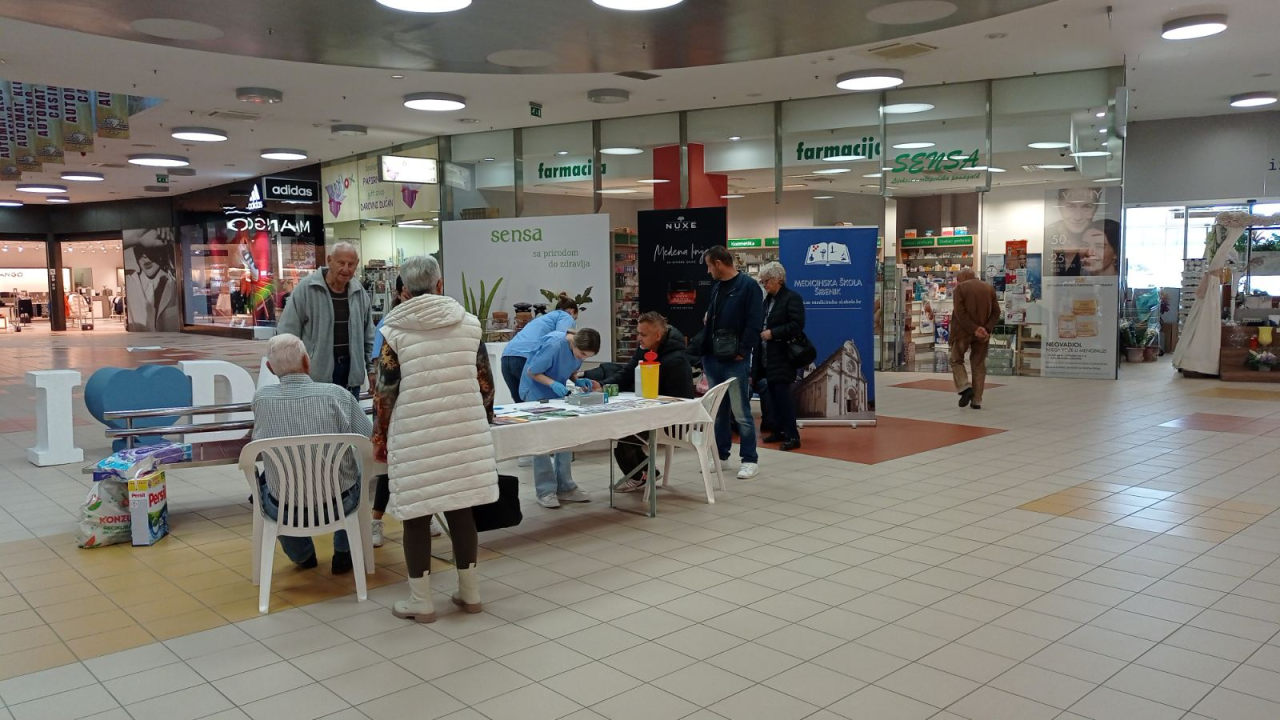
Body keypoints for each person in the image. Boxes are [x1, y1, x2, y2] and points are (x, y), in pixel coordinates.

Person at [371, 255, 499, 623]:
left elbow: (385, 392)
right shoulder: (469, 325)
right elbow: (485, 383)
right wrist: (483, 421)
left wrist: (380, 436)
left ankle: (421, 600)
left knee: (415, 512)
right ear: (440, 285)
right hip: (463, 427)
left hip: (414, 432)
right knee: (461, 507)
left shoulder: (394, 331)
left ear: (404, 291)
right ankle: (470, 593)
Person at [250, 334, 373, 574]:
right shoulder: (337, 395)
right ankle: (344, 553)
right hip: (340, 503)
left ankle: (303, 556)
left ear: (270, 368)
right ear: (308, 361)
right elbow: (367, 438)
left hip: (285, 508)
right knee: (351, 473)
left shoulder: (261, 400)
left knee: (263, 485)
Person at [367, 274, 441, 547]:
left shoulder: (433, 321)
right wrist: (381, 426)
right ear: (401, 293)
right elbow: (380, 371)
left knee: (425, 466)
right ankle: (376, 520)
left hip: (424, 406)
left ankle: (427, 514)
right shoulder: (390, 323)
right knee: (389, 470)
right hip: (395, 405)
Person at [607, 312, 695, 493]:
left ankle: (637, 477)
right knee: (622, 431)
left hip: (672, 418)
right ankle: (648, 472)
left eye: (643, 335)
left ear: (658, 336)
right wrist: (602, 386)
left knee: (624, 437)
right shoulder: (645, 347)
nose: (639, 338)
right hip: (649, 409)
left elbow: (678, 400)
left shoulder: (676, 360)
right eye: (638, 333)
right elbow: (627, 372)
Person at [700, 245, 763, 480]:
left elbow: (755, 322)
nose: (708, 271)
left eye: (709, 266)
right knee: (719, 411)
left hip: (734, 359)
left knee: (741, 411)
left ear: (718, 263)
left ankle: (749, 459)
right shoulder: (717, 288)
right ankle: (722, 456)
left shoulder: (749, 287)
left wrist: (743, 350)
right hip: (713, 357)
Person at [277, 242, 374, 396]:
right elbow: (287, 333)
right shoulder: (307, 289)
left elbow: (369, 335)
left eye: (351, 264)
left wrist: (371, 368)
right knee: (318, 419)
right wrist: (291, 373)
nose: (346, 269)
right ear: (329, 260)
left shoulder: (359, 292)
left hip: (351, 376)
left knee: (348, 419)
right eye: (341, 263)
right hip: (316, 377)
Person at [520, 329, 601, 508]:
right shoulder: (554, 346)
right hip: (535, 392)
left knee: (564, 436)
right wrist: (553, 384)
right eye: (582, 354)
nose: (583, 358)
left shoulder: (577, 351)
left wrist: (577, 380)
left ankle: (566, 487)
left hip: (556, 395)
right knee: (542, 442)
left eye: (588, 356)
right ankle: (545, 491)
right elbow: (532, 372)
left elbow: (570, 368)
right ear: (575, 345)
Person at [754, 262, 805, 451]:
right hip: (767, 356)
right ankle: (778, 431)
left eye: (766, 281)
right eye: (762, 281)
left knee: (784, 398)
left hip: (783, 356)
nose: (764, 284)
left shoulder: (792, 298)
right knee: (772, 398)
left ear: (779, 280)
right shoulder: (767, 300)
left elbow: (797, 325)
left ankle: (793, 436)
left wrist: (773, 333)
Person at [500, 296, 579, 400]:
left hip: (507, 356)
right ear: (573, 311)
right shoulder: (566, 316)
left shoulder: (542, 318)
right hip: (526, 357)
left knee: (520, 406)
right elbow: (563, 339)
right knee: (536, 404)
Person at [950, 268, 1001, 410]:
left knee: (955, 359)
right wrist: (986, 328)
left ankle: (965, 387)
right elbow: (997, 311)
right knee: (978, 364)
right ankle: (977, 400)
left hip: (962, 332)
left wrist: (974, 328)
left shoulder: (960, 289)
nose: (957, 282)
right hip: (983, 334)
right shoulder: (989, 288)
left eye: (958, 279)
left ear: (963, 278)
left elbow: (960, 312)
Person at [123, 227, 180, 332]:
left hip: (169, 346)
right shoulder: (130, 279)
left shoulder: (176, 283)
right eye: (139, 249)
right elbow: (118, 239)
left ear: (163, 251)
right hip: (138, 345)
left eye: (151, 250)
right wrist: (139, 236)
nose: (145, 256)